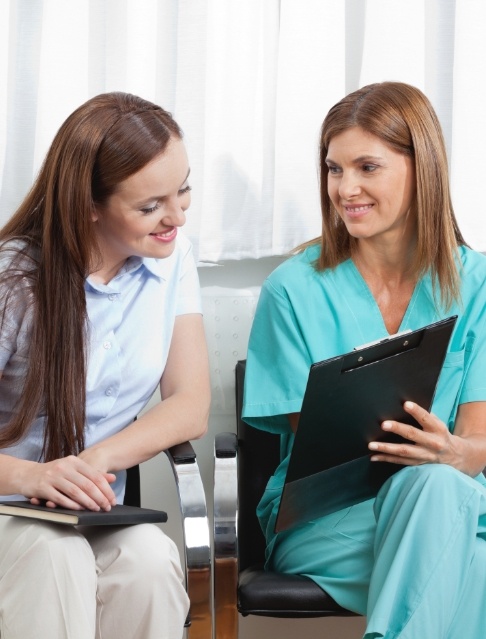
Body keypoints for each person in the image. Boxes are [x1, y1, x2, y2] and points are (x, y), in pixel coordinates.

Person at [242, 81, 486, 638]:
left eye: (367, 167)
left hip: (454, 500)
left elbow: (478, 440)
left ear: (420, 168)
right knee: (466, 553)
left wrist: (453, 453)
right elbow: (324, 463)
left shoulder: (479, 285)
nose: (345, 188)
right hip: (330, 521)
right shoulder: (292, 290)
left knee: (436, 485)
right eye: (334, 169)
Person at [0, 92, 210, 639]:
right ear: (88, 204)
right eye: (151, 206)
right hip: (8, 506)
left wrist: (88, 466)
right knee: (55, 557)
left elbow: (189, 405)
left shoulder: (174, 258)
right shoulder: (13, 283)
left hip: (88, 511)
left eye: (183, 189)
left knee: (150, 560)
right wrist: (35, 476)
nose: (177, 216)